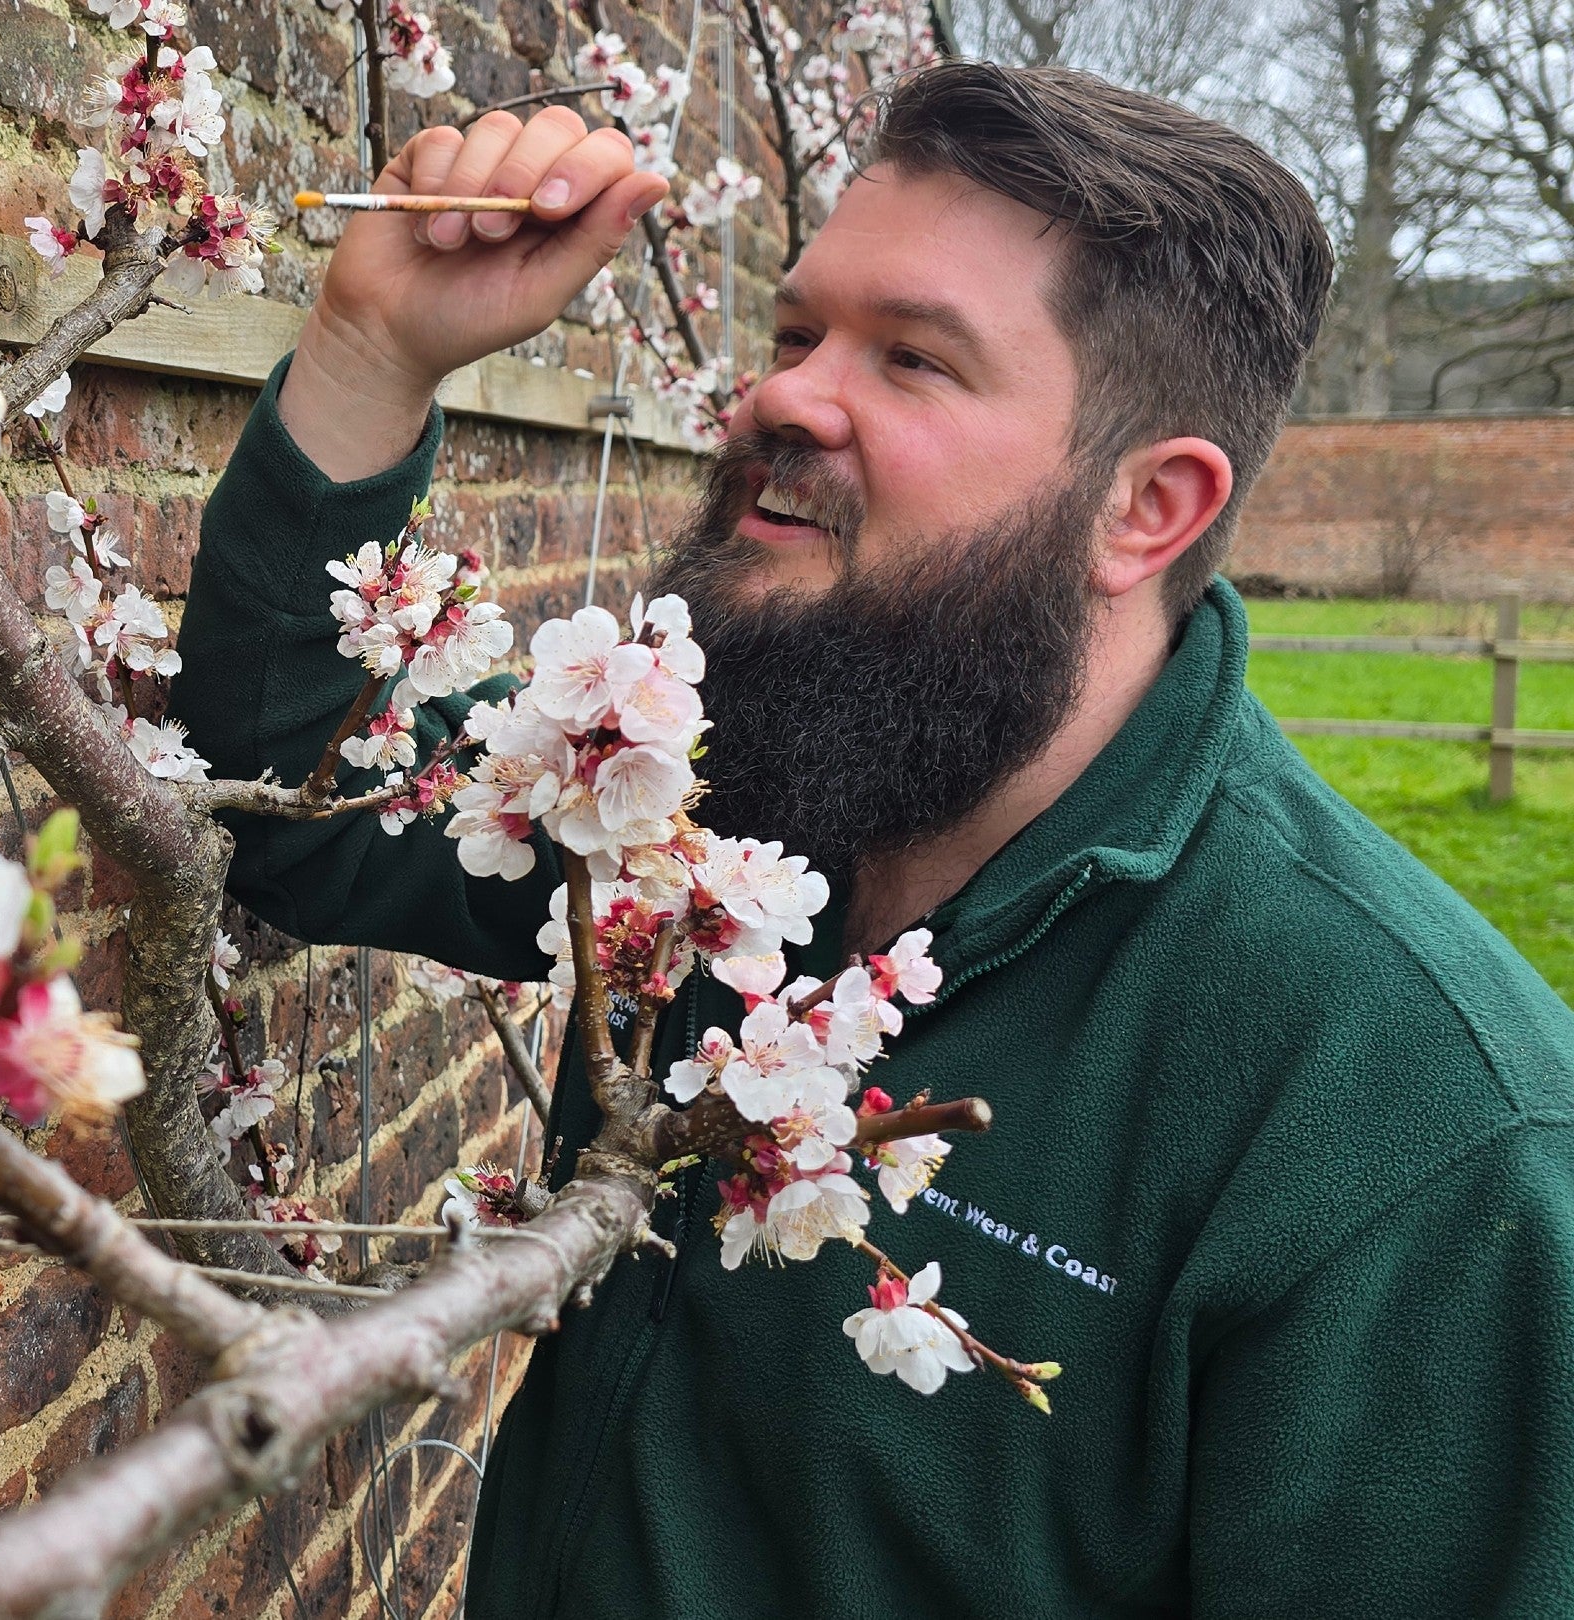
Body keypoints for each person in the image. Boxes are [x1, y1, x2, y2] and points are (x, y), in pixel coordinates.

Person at [165, 61, 1574, 1617]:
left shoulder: (1420, 1137)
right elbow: (297, 804)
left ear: (1146, 508)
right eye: (794, 336)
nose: (780, 397)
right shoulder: (704, 792)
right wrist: (371, 352)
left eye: (911, 358)